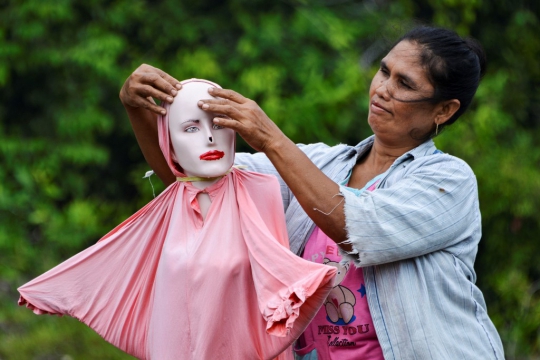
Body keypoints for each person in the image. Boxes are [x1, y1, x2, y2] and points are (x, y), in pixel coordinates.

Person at [120, 26, 505, 359]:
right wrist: (139, 109)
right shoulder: (324, 164)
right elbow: (193, 177)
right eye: (384, 71)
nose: (382, 89)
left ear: (444, 110)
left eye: (405, 84)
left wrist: (270, 137)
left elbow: (355, 227)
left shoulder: (448, 180)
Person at [18, 79, 337, 360]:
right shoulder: (170, 208)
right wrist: (51, 290)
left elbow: (277, 278)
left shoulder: (261, 190)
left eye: (220, 123)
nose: (210, 138)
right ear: (168, 142)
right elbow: (107, 260)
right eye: (191, 127)